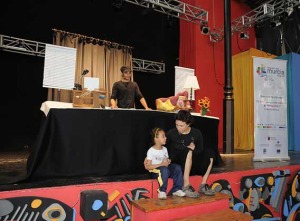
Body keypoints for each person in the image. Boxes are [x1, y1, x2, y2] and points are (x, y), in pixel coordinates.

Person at [166, 110, 217, 198]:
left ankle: (203, 185)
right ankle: (186, 185)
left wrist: (194, 149)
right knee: (188, 151)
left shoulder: (196, 133)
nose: (178, 128)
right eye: (176, 125)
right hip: (178, 163)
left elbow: (200, 151)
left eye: (181, 126)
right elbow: (165, 149)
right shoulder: (171, 133)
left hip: (192, 163)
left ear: (188, 124)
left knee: (210, 153)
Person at [144, 127, 186, 199]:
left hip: (165, 170)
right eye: (163, 136)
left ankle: (177, 189)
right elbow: (147, 167)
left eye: (165, 136)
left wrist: (168, 161)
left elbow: (165, 161)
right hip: (155, 171)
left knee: (177, 167)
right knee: (164, 169)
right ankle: (162, 191)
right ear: (156, 139)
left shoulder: (165, 149)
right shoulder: (151, 151)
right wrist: (161, 164)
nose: (165, 138)